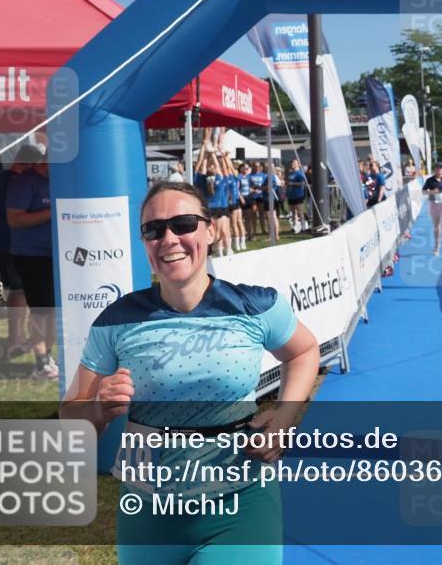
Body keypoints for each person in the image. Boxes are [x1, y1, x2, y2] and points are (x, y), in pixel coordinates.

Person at [60, 181, 319, 564]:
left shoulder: (254, 305)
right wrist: (98, 409)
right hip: (147, 509)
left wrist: (283, 416)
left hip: (240, 499)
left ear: (211, 230)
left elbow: (304, 350)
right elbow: (70, 416)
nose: (169, 238)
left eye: (183, 224)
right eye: (154, 229)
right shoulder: (116, 321)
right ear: (144, 241)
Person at [0, 145, 43, 358]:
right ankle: (15, 340)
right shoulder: (13, 182)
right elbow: (17, 215)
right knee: (19, 291)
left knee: (18, 290)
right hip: (10, 244)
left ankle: (16, 338)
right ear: (30, 164)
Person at [6, 146, 57, 379]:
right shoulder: (24, 182)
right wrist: (51, 212)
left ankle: (49, 356)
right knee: (40, 310)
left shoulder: (58, 180)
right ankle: (41, 361)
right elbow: (14, 219)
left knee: (55, 311)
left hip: (57, 255)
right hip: (31, 256)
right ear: (47, 161)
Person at [422, 163, 442, 256]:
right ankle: (436, 247)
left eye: (441, 168)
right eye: (438, 168)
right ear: (435, 170)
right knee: (437, 227)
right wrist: (432, 192)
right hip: (434, 204)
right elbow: (423, 191)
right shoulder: (430, 180)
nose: (439, 170)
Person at [286, 159, 307, 233]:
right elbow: (288, 183)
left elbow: (302, 183)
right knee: (292, 212)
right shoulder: (290, 173)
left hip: (298, 195)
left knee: (300, 211)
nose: (292, 164)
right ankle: (294, 227)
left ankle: (303, 228)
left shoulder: (299, 173)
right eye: (292, 163)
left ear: (298, 164)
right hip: (291, 195)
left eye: (294, 163)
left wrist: (293, 184)